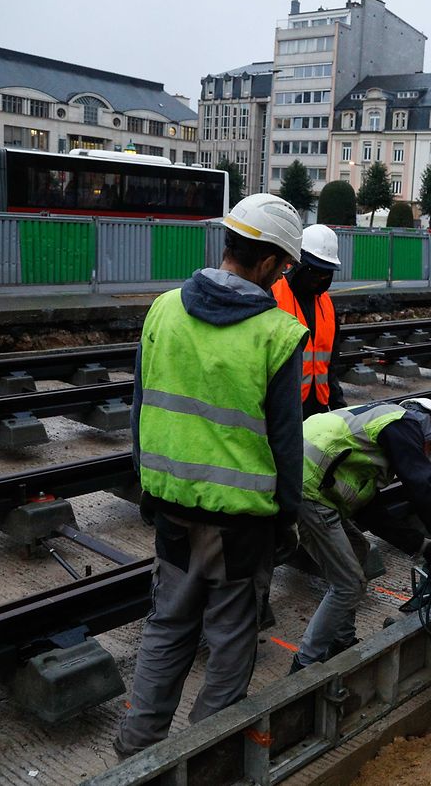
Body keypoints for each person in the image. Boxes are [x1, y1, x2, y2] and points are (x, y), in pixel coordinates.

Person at [114, 193, 308, 759]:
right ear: (268, 262)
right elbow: (286, 441)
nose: (283, 277)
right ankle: (204, 756)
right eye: (283, 268)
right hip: (241, 525)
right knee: (230, 641)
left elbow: (139, 410)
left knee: (167, 625)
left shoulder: (163, 310)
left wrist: (149, 487)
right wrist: (287, 518)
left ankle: (136, 750)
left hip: (172, 506)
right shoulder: (276, 334)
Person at [290, 398, 431, 671]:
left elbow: (372, 514)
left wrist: (421, 545)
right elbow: (422, 489)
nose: (423, 453)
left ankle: (342, 641)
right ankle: (304, 663)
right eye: (429, 448)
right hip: (307, 487)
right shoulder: (406, 425)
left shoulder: (379, 433)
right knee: (349, 584)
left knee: (358, 548)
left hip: (307, 480)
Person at [271, 224, 346, 420]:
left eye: (326, 273)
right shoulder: (273, 296)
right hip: (282, 409)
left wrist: (339, 409)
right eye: (314, 270)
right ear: (297, 263)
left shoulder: (327, 305)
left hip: (318, 407)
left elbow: (330, 366)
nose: (320, 278)